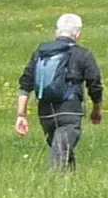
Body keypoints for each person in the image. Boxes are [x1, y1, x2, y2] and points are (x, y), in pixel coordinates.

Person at [17, 12, 102, 170]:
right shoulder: (83, 54)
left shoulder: (41, 53)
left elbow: (25, 84)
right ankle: (52, 185)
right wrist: (97, 108)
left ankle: (68, 188)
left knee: (63, 151)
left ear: (57, 32)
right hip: (70, 112)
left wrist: (21, 115)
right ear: (78, 35)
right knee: (60, 156)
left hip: (45, 113)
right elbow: (95, 84)